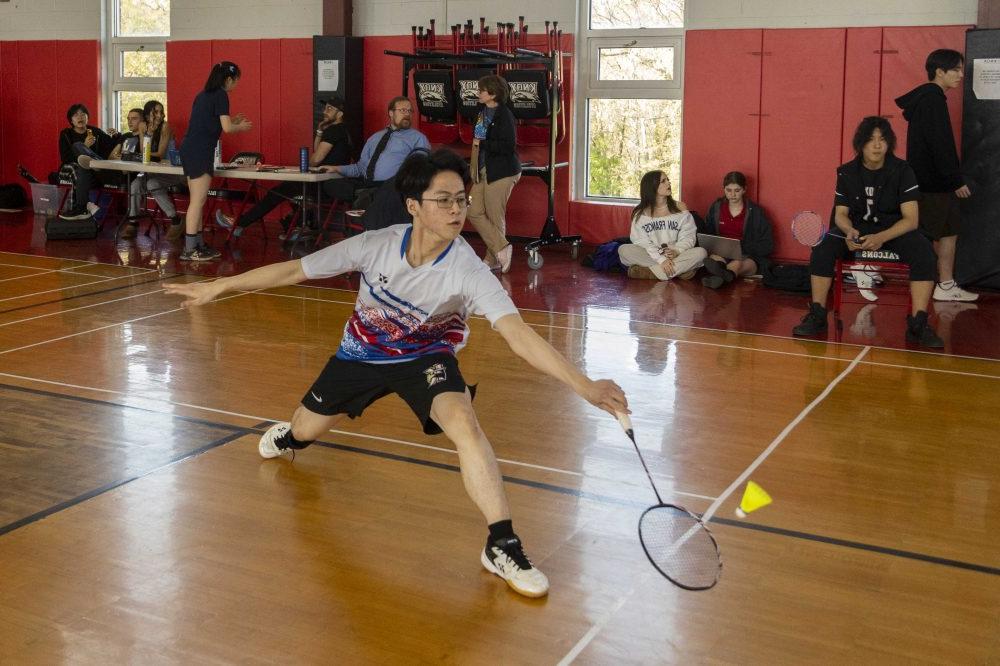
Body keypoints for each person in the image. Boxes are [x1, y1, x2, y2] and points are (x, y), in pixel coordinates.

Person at [163, 149, 629, 598]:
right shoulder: (376, 245)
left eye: (461, 200)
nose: (456, 210)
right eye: (443, 200)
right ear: (414, 206)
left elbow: (517, 334)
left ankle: (501, 543)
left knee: (465, 425)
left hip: (426, 357)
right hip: (358, 356)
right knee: (304, 430)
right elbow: (294, 272)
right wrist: (219, 285)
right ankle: (291, 438)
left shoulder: (467, 268)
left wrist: (583, 385)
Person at [792, 116, 943, 348]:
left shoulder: (903, 171)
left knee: (925, 252)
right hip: (856, 231)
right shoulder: (846, 172)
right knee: (822, 248)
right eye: (871, 140)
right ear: (860, 143)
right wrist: (849, 231)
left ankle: (918, 323)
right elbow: (841, 214)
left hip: (893, 231)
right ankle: (818, 315)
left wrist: (881, 237)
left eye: (882, 140)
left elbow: (911, 220)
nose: (876, 145)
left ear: (889, 143)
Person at [895, 48, 977, 302]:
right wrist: (955, 180)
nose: (961, 75)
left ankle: (945, 284)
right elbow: (940, 144)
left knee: (948, 232)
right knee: (931, 235)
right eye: (956, 70)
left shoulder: (931, 99)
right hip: (933, 185)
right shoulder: (932, 100)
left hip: (933, 183)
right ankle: (931, 283)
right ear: (939, 72)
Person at [215, 95, 352, 238]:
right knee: (284, 191)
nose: (325, 111)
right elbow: (318, 153)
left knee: (277, 192)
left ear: (340, 114)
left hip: (323, 185)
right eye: (326, 107)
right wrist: (319, 131)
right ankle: (294, 225)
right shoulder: (343, 130)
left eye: (330, 108)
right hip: (333, 183)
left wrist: (311, 161)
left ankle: (240, 223)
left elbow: (315, 159)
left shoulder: (334, 130)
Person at [177, 61, 252, 261]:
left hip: (190, 148)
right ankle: (190, 248)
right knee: (197, 201)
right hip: (200, 151)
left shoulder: (203, 95)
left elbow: (213, 123)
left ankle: (198, 244)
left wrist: (232, 121)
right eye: (236, 81)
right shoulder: (221, 95)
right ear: (228, 79)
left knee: (198, 201)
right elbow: (227, 129)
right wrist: (240, 126)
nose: (236, 85)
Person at [318, 96, 430, 204]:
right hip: (367, 184)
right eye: (403, 110)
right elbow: (360, 168)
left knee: (387, 190)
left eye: (410, 111)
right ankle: (366, 195)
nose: (407, 114)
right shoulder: (374, 138)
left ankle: (368, 197)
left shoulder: (418, 138)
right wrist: (335, 168)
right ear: (391, 113)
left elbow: (419, 170)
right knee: (331, 184)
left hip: (391, 187)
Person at [467, 74, 521, 273]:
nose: (478, 93)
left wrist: (483, 144)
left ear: (493, 94)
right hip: (482, 170)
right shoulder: (482, 112)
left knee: (494, 215)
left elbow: (508, 146)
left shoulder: (505, 115)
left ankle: (492, 259)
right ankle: (501, 248)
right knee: (472, 210)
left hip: (502, 171)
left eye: (482, 90)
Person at [618, 170, 706, 281]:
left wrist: (676, 251)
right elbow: (642, 242)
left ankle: (651, 273)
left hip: (675, 254)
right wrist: (661, 260)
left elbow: (688, 236)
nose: (669, 183)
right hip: (652, 254)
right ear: (652, 187)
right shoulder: (640, 213)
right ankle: (681, 271)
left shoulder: (680, 207)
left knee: (701, 253)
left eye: (668, 180)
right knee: (623, 250)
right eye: (663, 181)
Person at [700, 171, 774, 289]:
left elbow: (768, 245)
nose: (732, 194)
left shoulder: (756, 212)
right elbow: (708, 234)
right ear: (723, 189)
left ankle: (720, 276)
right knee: (715, 259)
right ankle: (724, 275)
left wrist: (741, 248)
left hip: (748, 257)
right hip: (721, 254)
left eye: (737, 190)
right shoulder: (716, 207)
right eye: (728, 190)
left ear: (744, 189)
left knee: (737, 263)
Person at [57, 103, 117, 220]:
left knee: (83, 168)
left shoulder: (95, 132)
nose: (80, 117)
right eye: (76, 115)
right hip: (68, 169)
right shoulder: (66, 134)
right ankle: (87, 203)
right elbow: (65, 158)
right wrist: (85, 146)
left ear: (87, 117)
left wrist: (116, 135)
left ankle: (80, 208)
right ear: (71, 120)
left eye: (83, 114)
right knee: (78, 148)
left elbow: (113, 144)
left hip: (90, 173)